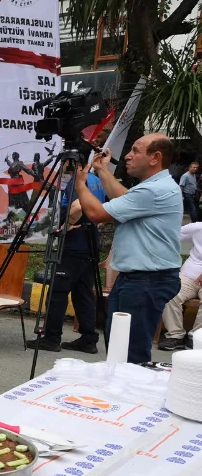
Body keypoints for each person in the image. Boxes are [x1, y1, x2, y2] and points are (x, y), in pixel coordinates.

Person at [75, 133, 183, 364]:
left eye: (135, 150)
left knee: (129, 354)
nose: (128, 156)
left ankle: (131, 395)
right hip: (141, 279)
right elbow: (124, 198)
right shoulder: (155, 186)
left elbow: (95, 214)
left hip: (146, 281)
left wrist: (80, 185)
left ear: (155, 157)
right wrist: (103, 170)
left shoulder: (153, 190)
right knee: (121, 348)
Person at [27, 174, 107, 354]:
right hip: (89, 244)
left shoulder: (78, 179)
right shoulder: (95, 179)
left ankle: (52, 337)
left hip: (73, 245)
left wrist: (65, 224)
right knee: (83, 293)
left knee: (57, 292)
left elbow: (78, 205)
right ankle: (88, 338)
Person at [159, 223, 202, 350]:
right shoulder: (198, 227)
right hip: (188, 276)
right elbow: (170, 236)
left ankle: (196, 337)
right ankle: (175, 335)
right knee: (170, 293)